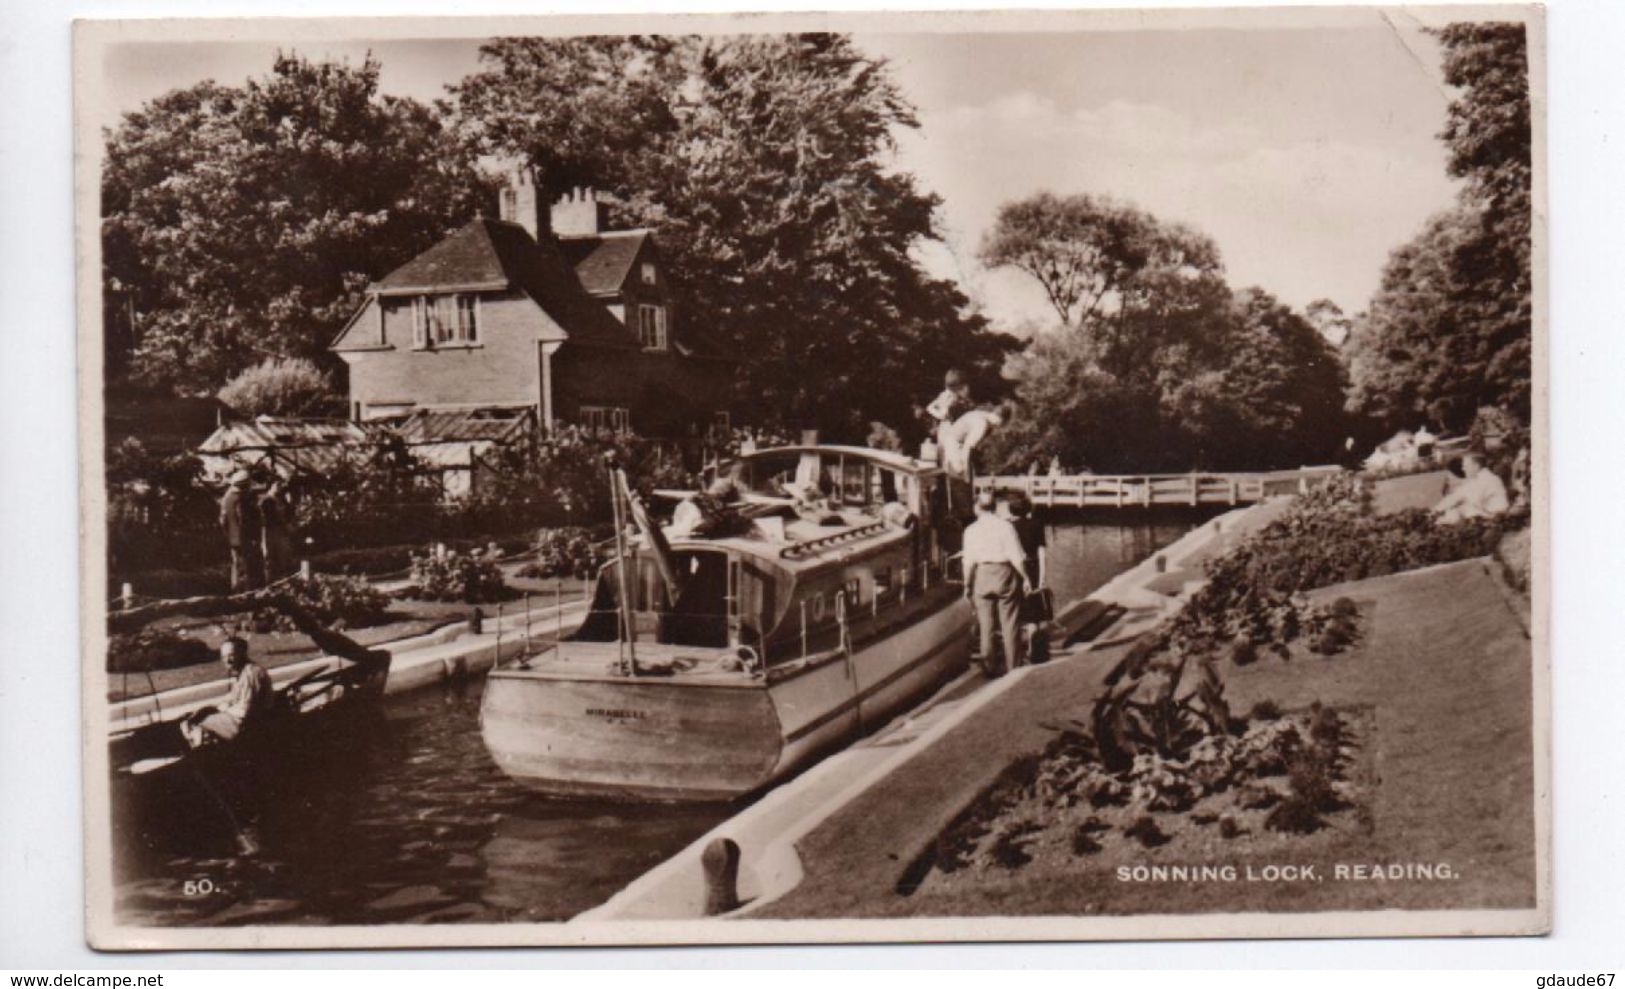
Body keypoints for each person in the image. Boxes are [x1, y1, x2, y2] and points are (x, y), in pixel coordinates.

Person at [962, 490, 1031, 675]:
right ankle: (1013, 667)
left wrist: (966, 585)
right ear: (995, 507)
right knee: (1010, 623)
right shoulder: (1006, 527)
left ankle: (989, 668)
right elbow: (1016, 555)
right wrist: (1025, 578)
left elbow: (968, 562)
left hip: (982, 575)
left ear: (977, 508)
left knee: (986, 626)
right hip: (1004, 574)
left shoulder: (971, 531)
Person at [184, 636, 273, 746]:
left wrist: (223, 710)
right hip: (240, 722)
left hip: (249, 725)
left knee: (200, 724)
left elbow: (245, 711)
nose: (227, 660)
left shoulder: (252, 673)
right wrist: (212, 708)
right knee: (196, 718)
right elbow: (231, 698)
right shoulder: (241, 673)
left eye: (231, 655)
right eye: (224, 657)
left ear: (242, 654)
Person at [1433, 452, 1510, 523]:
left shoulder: (1488, 478)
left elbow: (1473, 500)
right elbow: (1457, 495)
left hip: (1494, 516)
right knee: (1454, 511)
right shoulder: (1476, 479)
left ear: (1476, 466)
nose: (1463, 469)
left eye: (1465, 466)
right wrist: (1436, 509)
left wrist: (1452, 506)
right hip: (1485, 513)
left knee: (1456, 511)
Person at [220, 469, 264, 591]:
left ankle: (238, 593)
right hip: (246, 539)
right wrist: (254, 538)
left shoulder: (226, 498)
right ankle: (249, 596)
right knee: (250, 568)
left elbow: (223, 521)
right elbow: (245, 521)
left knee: (238, 567)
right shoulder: (242, 500)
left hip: (233, 540)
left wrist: (228, 536)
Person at [940, 404, 1007, 478]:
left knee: (965, 472)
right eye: (1001, 424)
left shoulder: (982, 414)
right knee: (960, 471)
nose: (997, 428)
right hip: (953, 443)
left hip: (951, 439)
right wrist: (966, 470)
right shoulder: (982, 424)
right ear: (1000, 420)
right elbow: (967, 447)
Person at [258, 477, 294, 581]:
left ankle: (286, 579)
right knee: (271, 557)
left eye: (280, 485)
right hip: (270, 531)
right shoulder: (266, 501)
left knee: (285, 556)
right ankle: (271, 582)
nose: (280, 487)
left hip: (281, 531)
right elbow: (268, 518)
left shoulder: (282, 499)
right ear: (270, 486)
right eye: (277, 485)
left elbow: (288, 514)